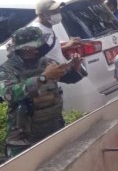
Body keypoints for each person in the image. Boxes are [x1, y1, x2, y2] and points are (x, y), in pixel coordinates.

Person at [0, 26, 86, 157]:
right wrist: (43, 78)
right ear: (25, 49)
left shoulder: (45, 61)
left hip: (53, 131)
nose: (37, 50)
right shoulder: (7, 69)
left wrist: (75, 67)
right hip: (24, 141)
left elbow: (68, 77)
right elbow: (9, 94)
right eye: (34, 47)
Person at [29, 0, 81, 64]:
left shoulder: (47, 27)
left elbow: (50, 51)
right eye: (54, 12)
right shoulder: (36, 32)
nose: (58, 14)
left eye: (58, 11)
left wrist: (68, 45)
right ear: (41, 15)